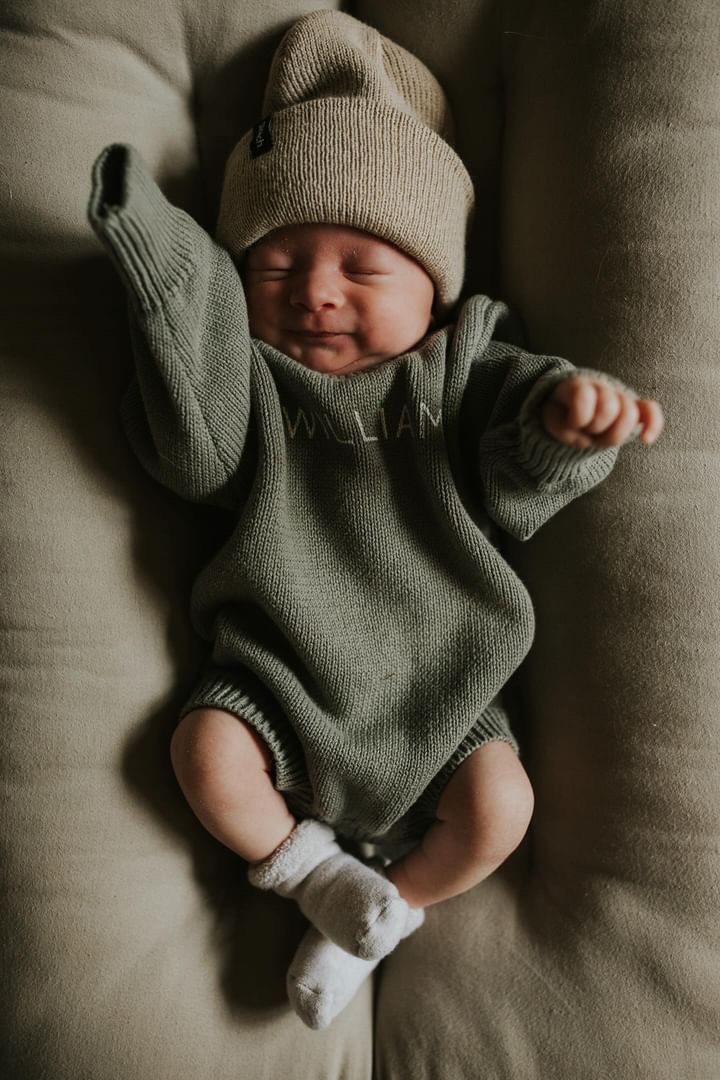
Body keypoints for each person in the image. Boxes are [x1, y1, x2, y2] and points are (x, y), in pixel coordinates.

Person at [87, 10, 663, 1030]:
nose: (315, 294)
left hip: (445, 686)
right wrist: (170, 282)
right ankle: (316, 879)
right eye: (275, 265)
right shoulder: (254, 386)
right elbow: (192, 448)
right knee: (203, 755)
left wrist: (568, 426)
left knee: (502, 810)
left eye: (362, 269)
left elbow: (510, 482)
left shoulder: (460, 365)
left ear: (435, 287)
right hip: (277, 672)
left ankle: (388, 913)